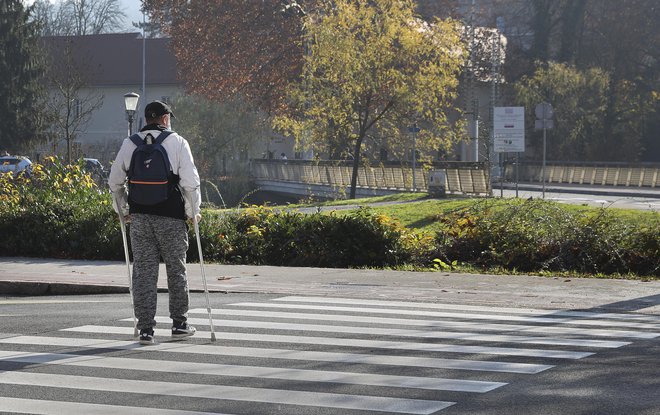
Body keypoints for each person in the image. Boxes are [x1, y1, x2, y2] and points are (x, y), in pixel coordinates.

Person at [109, 100, 201, 345]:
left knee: (143, 273)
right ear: (164, 118)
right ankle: (180, 324)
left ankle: (146, 329)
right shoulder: (178, 142)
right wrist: (193, 212)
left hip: (140, 217)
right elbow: (190, 184)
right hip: (171, 216)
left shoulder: (130, 143)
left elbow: (114, 182)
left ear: (146, 119)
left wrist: (123, 209)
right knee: (176, 269)